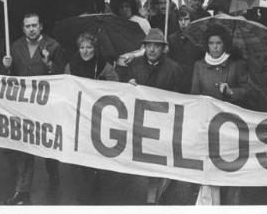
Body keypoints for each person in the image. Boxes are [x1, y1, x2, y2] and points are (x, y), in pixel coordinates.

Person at [1, 12, 65, 205]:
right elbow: (9, 78)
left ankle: (53, 172)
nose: (31, 29)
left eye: (34, 25)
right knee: (24, 150)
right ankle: (22, 191)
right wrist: (5, 67)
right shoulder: (14, 47)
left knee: (48, 149)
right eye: (27, 26)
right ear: (23, 28)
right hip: (25, 107)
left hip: (46, 107)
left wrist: (49, 64)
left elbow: (62, 74)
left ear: (41, 26)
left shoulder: (53, 46)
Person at [118, 28, 183, 204]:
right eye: (149, 46)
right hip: (141, 125)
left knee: (159, 163)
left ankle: (153, 199)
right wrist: (128, 85)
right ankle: (153, 198)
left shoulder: (174, 69)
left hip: (163, 124)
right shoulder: (134, 66)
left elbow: (179, 99)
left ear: (163, 49)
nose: (152, 49)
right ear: (144, 47)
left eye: (157, 46)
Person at [191, 24, 249, 205]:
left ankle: (232, 204)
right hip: (207, 124)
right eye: (211, 43)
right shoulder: (199, 65)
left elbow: (248, 90)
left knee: (230, 167)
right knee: (209, 166)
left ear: (225, 45)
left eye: (218, 43)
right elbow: (194, 94)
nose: (215, 47)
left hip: (230, 125)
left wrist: (232, 92)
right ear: (206, 45)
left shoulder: (236, 64)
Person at [67, 32, 118, 204]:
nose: (85, 51)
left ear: (95, 49)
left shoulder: (102, 64)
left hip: (97, 115)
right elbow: (66, 85)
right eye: (82, 47)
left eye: (89, 47)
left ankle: (92, 183)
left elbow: (115, 82)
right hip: (79, 114)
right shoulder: (71, 65)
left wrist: (101, 85)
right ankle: (85, 190)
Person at [167, 8, 205, 94]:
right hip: (177, 79)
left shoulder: (199, 38)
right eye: (180, 20)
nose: (183, 23)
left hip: (193, 78)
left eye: (186, 19)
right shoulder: (171, 38)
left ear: (192, 20)